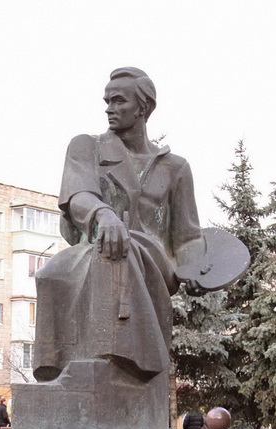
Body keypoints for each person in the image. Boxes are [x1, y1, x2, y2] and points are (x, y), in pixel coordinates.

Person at [33, 66, 204, 383]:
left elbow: (188, 237)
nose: (109, 109)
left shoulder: (175, 168)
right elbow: (78, 195)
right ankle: (56, 371)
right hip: (93, 250)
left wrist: (193, 269)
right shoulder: (87, 146)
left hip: (150, 260)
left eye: (119, 101)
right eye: (107, 101)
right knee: (51, 274)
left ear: (143, 107)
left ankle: (111, 360)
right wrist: (104, 214)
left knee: (113, 254)